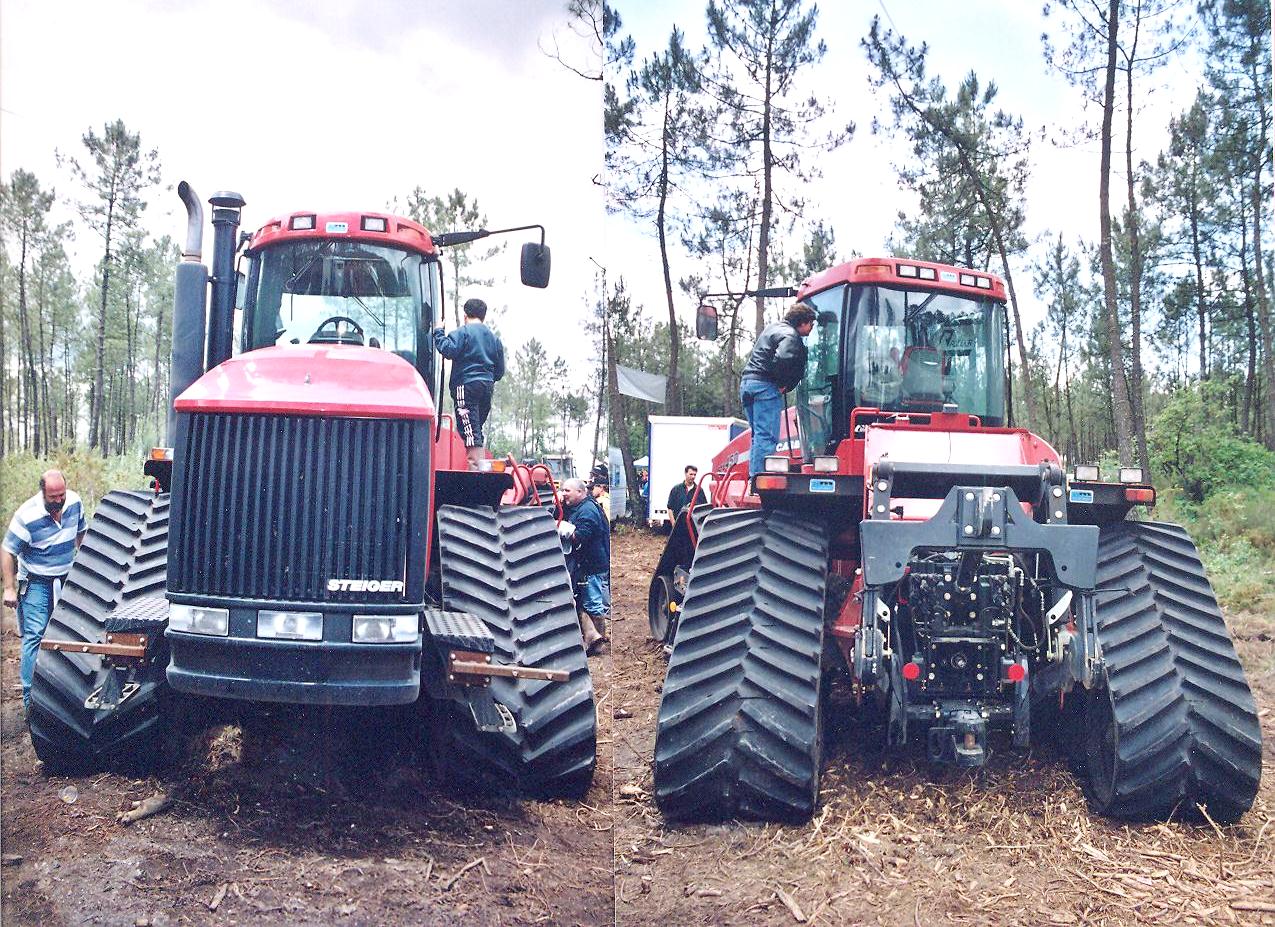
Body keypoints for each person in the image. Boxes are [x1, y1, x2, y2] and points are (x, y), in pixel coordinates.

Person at [2, 470, 87, 712]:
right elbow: (7, 551)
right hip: (36, 581)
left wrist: (86, 566)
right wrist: (8, 588)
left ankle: (66, 691)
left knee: (70, 633)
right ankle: (30, 701)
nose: (59, 501)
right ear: (43, 493)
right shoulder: (26, 516)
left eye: (61, 495)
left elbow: (82, 535)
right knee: (36, 635)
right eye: (53, 497)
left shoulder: (75, 502)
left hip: (66, 577)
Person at [739, 302, 817, 485]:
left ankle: (753, 476)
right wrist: (782, 383)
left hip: (747, 384)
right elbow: (784, 357)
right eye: (811, 324)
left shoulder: (772, 328)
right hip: (765, 387)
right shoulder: (791, 335)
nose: (812, 328)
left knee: (758, 435)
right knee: (767, 437)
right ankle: (759, 480)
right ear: (803, 322)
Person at [432, 298, 506, 470]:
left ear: (465, 315)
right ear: (483, 317)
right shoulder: (494, 339)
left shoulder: (463, 332)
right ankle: (477, 466)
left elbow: (448, 350)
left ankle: (475, 471)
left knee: (469, 431)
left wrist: (438, 332)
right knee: (475, 428)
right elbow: (500, 371)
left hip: (466, 385)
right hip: (486, 386)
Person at [557, 478, 610, 655]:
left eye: (567, 491)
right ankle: (592, 638)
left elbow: (581, 536)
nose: (564, 494)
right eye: (562, 490)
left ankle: (599, 642)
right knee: (586, 601)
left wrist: (564, 529)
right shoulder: (581, 507)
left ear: (580, 492)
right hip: (587, 565)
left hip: (593, 565)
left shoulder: (588, 510)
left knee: (593, 602)